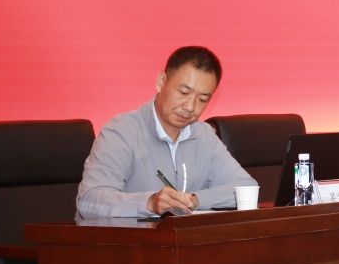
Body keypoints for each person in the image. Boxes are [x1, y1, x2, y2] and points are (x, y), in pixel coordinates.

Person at [76, 46, 257, 218]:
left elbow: (247, 187)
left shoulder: (204, 135)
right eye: (183, 92)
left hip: (183, 238)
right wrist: (149, 203)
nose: (190, 107)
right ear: (161, 82)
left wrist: (194, 200)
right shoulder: (120, 132)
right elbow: (89, 200)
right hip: (130, 239)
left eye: (202, 99)